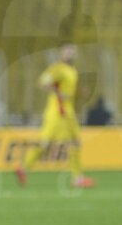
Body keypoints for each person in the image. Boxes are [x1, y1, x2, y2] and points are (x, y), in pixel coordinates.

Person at [15, 43, 94, 188]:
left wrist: (78, 93)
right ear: (61, 54)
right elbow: (42, 82)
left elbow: (67, 91)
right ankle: (24, 167)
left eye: (72, 52)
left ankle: (78, 177)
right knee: (46, 143)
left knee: (75, 142)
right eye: (67, 51)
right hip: (57, 112)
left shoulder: (72, 70)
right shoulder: (58, 68)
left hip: (67, 112)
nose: (70, 54)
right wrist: (59, 93)